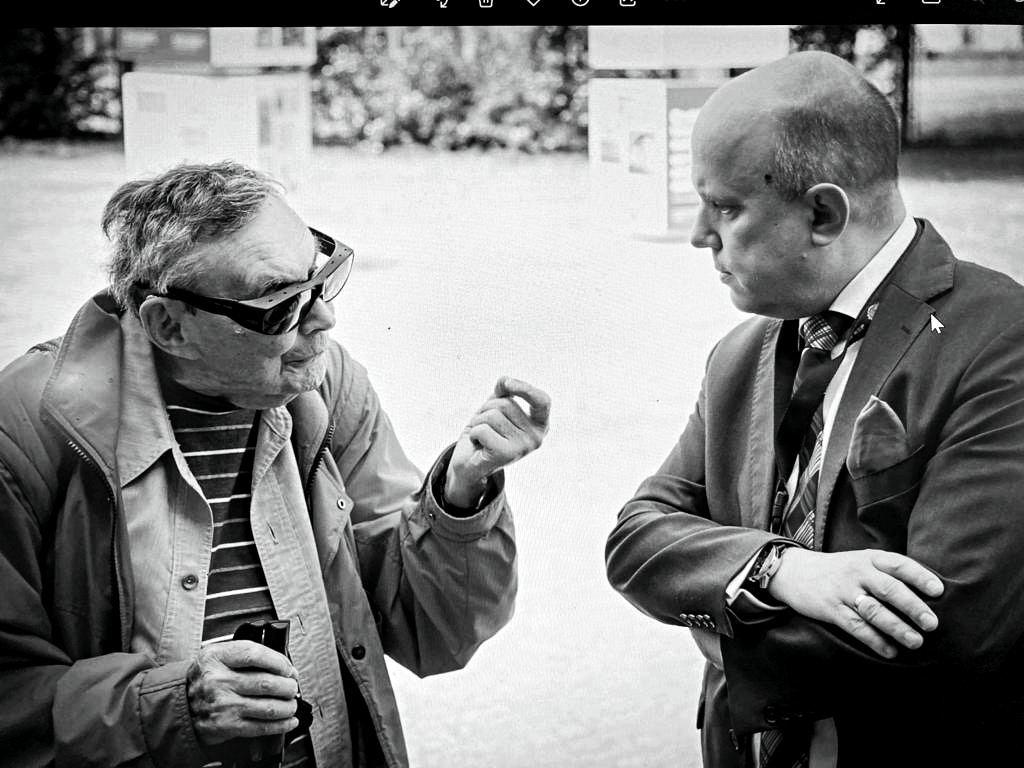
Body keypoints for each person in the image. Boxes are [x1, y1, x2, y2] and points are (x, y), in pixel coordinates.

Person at [0, 161, 551, 768]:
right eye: (276, 306)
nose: (324, 320)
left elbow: (431, 631)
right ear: (167, 326)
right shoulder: (28, 428)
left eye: (320, 280)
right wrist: (168, 706)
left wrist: (459, 496)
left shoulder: (327, 389)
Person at [605, 50, 1024, 767]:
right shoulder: (740, 353)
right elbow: (635, 538)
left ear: (823, 212)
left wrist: (716, 631)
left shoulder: (1001, 341)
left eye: (726, 207)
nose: (700, 236)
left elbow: (948, 631)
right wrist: (779, 570)